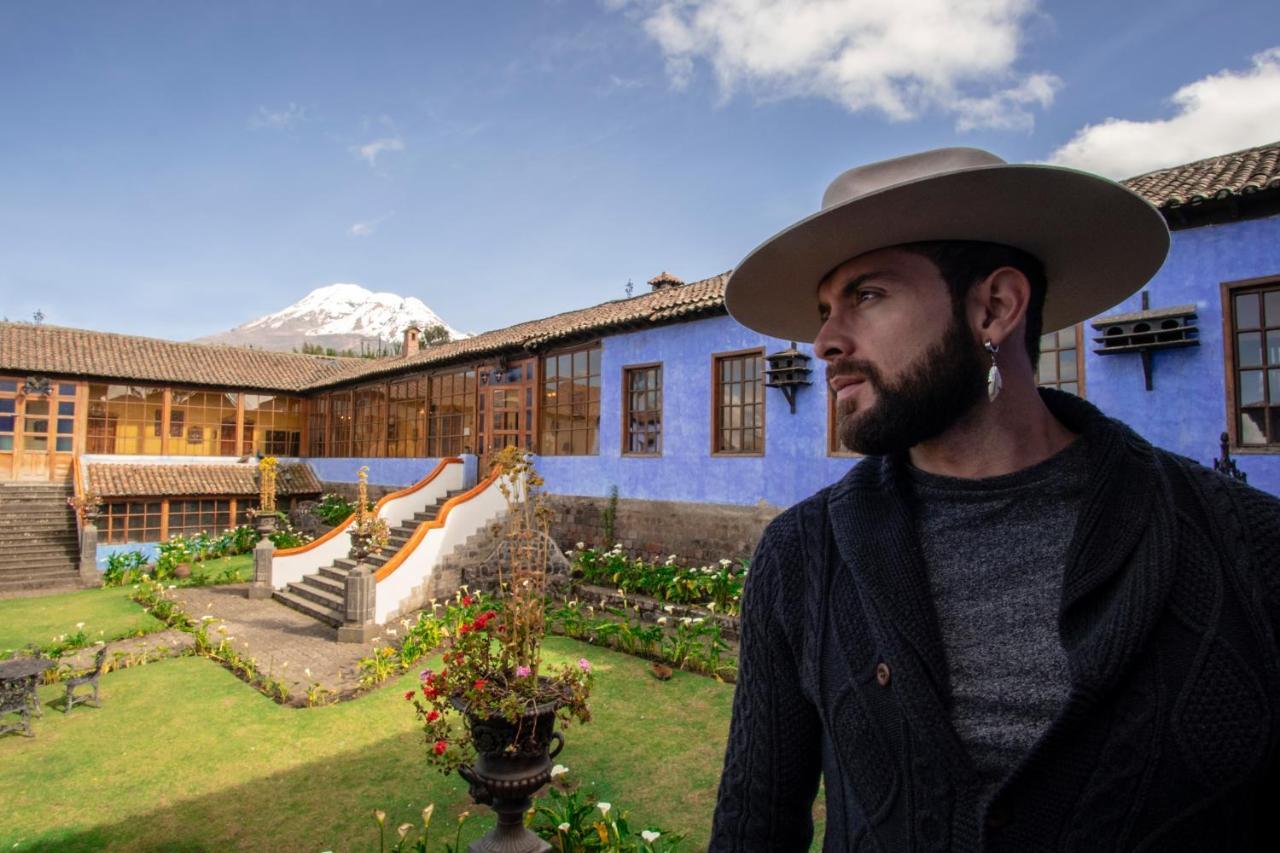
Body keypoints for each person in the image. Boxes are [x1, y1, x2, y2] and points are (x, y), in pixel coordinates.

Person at [709, 148, 1280, 851]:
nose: (824, 339)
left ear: (995, 306)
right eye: (824, 309)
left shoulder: (1249, 547)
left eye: (866, 295)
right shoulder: (801, 557)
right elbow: (753, 827)